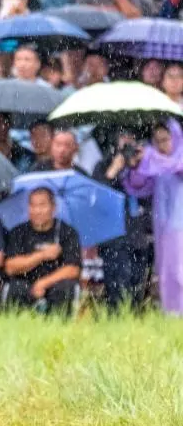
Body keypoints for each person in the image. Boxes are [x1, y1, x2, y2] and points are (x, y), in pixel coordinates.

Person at [124, 122, 183, 315]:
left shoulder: (176, 157)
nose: (161, 145)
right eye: (157, 141)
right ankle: (173, 315)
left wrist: (152, 157)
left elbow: (178, 168)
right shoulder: (155, 161)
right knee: (168, 272)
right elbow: (138, 186)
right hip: (164, 227)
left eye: (165, 139)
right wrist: (136, 165)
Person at [93, 129, 153, 312]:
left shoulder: (144, 165)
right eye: (123, 137)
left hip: (139, 238)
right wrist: (113, 170)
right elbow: (97, 199)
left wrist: (140, 168)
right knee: (118, 290)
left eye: (132, 137)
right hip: (114, 238)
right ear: (116, 140)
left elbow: (152, 197)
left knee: (137, 289)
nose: (127, 142)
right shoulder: (103, 164)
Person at [4, 188, 82, 315]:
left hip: (54, 284)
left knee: (65, 288)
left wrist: (43, 283)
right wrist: (42, 255)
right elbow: (10, 267)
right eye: (33, 205)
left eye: (42, 205)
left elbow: (73, 269)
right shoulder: (18, 232)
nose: (37, 211)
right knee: (16, 288)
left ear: (53, 208)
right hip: (25, 283)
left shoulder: (67, 232)